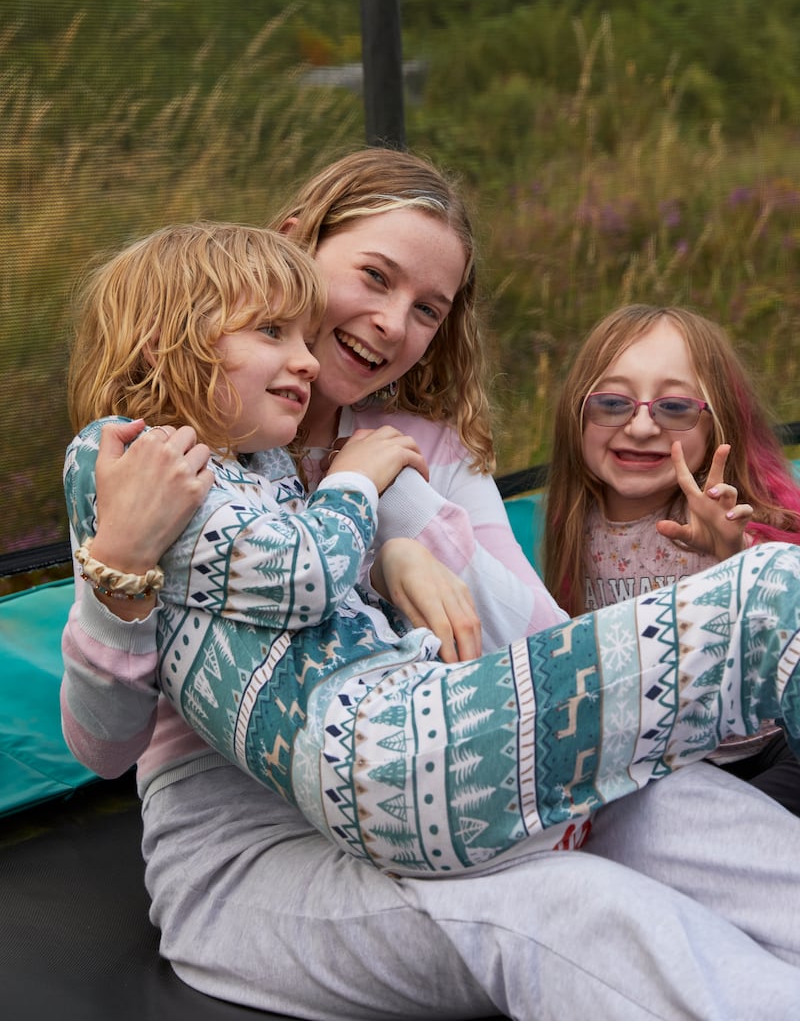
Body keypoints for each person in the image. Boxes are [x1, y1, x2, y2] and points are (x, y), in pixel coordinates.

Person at [61, 149, 800, 1019]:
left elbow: (535, 649)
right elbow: (105, 749)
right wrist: (121, 571)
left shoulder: (422, 451)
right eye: (374, 276)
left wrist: (400, 523)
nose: (390, 323)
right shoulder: (165, 461)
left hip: (455, 770)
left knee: (694, 812)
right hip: (259, 851)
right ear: (296, 245)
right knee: (578, 908)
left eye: (426, 310)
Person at [543, 304, 800, 816]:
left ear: (714, 424)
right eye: (613, 403)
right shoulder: (577, 524)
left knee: (752, 823)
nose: (639, 427)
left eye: (675, 408)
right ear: (577, 413)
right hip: (661, 768)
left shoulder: (724, 515)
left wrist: (731, 553)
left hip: (772, 747)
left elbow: (783, 610)